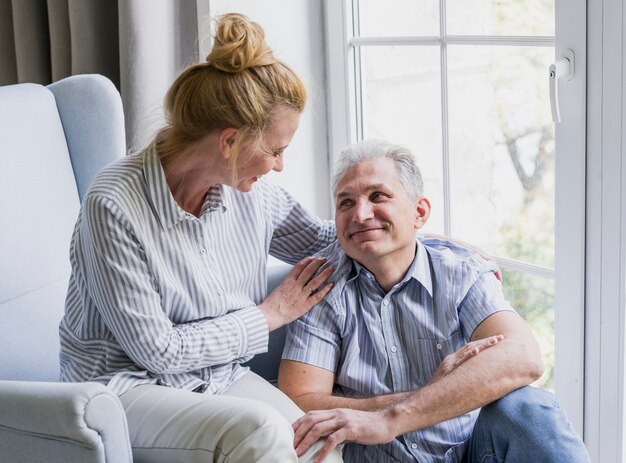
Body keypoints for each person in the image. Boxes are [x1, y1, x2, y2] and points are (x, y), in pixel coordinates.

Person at [59, 13, 343, 462]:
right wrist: (270, 314)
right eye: (275, 150)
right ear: (229, 141)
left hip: (217, 376)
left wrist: (426, 240)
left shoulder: (253, 194)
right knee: (263, 432)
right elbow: (159, 352)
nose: (279, 165)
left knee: (318, 443)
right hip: (122, 390)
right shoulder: (112, 205)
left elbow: (327, 240)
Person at [279, 140, 590, 463]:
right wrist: (424, 398)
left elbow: (523, 357)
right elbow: (298, 399)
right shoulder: (319, 285)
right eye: (345, 203)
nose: (359, 213)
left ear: (419, 212)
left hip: (471, 451)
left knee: (530, 408)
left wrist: (390, 419)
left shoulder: (461, 272)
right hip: (379, 458)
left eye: (378, 196)